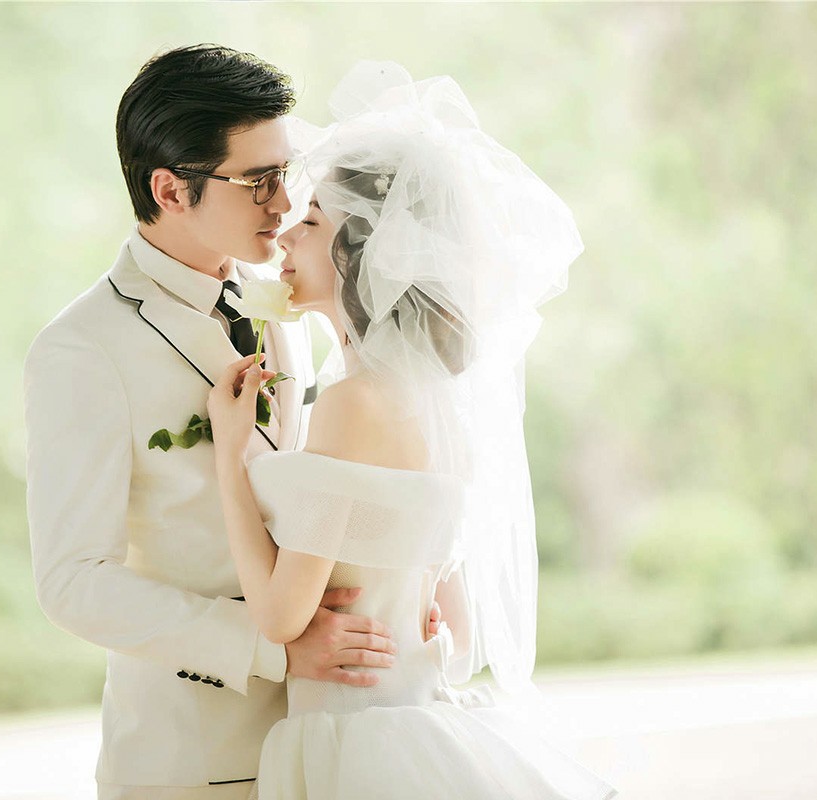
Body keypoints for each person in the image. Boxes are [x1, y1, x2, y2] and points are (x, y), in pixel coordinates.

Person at [24, 46, 441, 800]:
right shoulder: (82, 349)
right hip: (194, 761)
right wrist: (270, 647)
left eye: (287, 175)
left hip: (336, 736)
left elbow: (329, 487)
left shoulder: (293, 296)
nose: (283, 205)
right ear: (169, 189)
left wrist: (396, 578)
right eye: (258, 182)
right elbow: (72, 582)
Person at [205, 61, 619, 799]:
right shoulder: (434, 401)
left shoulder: (352, 402)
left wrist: (231, 464)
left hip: (356, 741)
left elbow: (280, 616)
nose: (284, 240)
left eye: (311, 223)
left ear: (365, 253)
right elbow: (453, 637)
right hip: (419, 721)